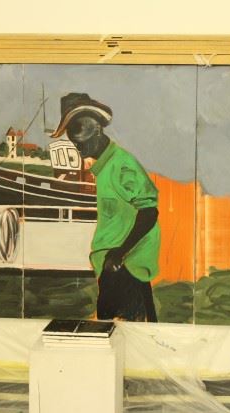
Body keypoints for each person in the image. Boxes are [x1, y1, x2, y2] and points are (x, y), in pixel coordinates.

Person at [51, 92, 160, 322]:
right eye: (73, 140)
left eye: (80, 138)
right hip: (113, 267)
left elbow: (149, 212)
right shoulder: (104, 168)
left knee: (119, 334)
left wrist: (119, 253)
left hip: (125, 270)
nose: (77, 147)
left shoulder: (122, 165)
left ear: (98, 130)